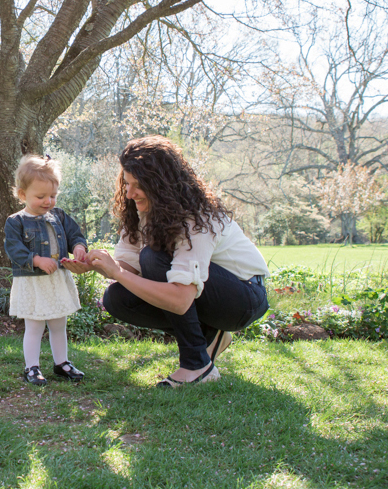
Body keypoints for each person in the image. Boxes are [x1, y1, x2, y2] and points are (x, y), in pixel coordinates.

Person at [78, 136, 269, 388]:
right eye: (126, 184)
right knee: (117, 297)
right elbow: (131, 270)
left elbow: (179, 300)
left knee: (154, 257)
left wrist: (118, 272)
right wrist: (102, 265)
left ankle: (196, 365)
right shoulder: (140, 212)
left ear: (160, 184)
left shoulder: (198, 219)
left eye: (137, 185)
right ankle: (210, 336)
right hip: (203, 291)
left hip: (244, 297)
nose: (129, 193)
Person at [2, 155, 91, 386]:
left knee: (58, 323)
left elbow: (74, 235)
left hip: (56, 278)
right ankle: (31, 367)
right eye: (40, 196)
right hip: (33, 281)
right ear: (23, 194)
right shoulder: (16, 221)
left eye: (52, 196)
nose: (47, 201)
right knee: (35, 324)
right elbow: (14, 249)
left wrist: (79, 247)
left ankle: (62, 363)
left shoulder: (58, 216)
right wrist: (37, 260)